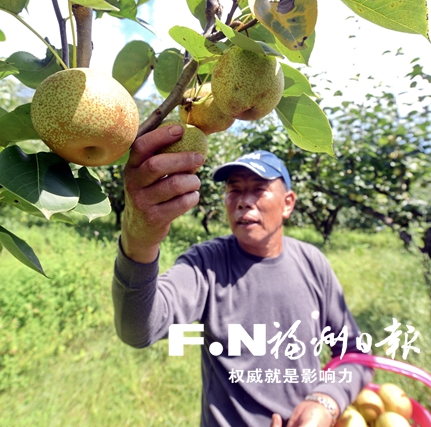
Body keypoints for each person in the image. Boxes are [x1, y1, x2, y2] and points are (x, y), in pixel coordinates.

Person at [112, 123, 372, 427]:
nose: (243, 200)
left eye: (258, 189)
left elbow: (356, 353)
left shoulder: (313, 263)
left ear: (288, 204)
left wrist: (325, 401)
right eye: (234, 189)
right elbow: (138, 329)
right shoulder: (207, 264)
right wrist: (139, 241)